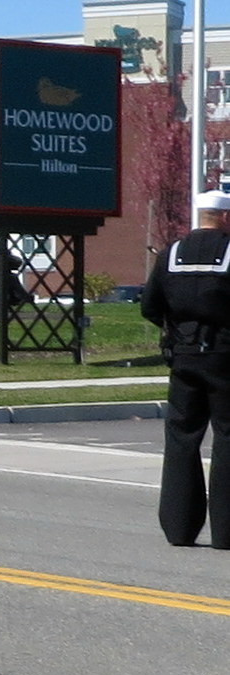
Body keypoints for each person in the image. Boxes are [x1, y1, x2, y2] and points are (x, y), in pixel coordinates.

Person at [141, 188, 230, 549]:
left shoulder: (171, 253)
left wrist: (175, 330)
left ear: (198, 216)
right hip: (225, 356)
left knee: (181, 438)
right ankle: (226, 532)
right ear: (224, 216)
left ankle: (179, 528)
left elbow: (149, 306)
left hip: (183, 356)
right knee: (227, 437)